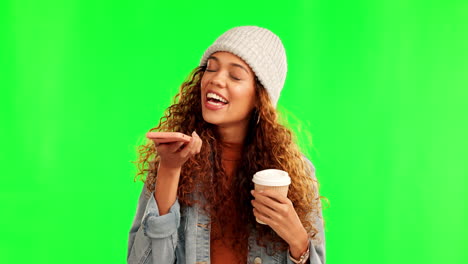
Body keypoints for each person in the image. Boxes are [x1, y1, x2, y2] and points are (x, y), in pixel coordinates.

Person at [127, 25, 326, 264]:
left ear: (259, 97)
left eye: (235, 75)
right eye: (210, 68)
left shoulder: (296, 172)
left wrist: (298, 240)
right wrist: (169, 170)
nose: (215, 80)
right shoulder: (175, 157)